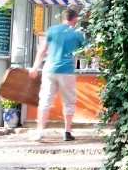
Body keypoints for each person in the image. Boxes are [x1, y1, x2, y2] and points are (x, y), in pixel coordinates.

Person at [28, 8, 87, 142]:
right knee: (69, 102)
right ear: (74, 19)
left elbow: (42, 51)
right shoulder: (77, 33)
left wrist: (35, 67)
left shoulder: (52, 30)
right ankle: (67, 132)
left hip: (49, 70)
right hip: (67, 71)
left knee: (45, 101)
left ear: (63, 18)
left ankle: (39, 132)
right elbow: (89, 51)